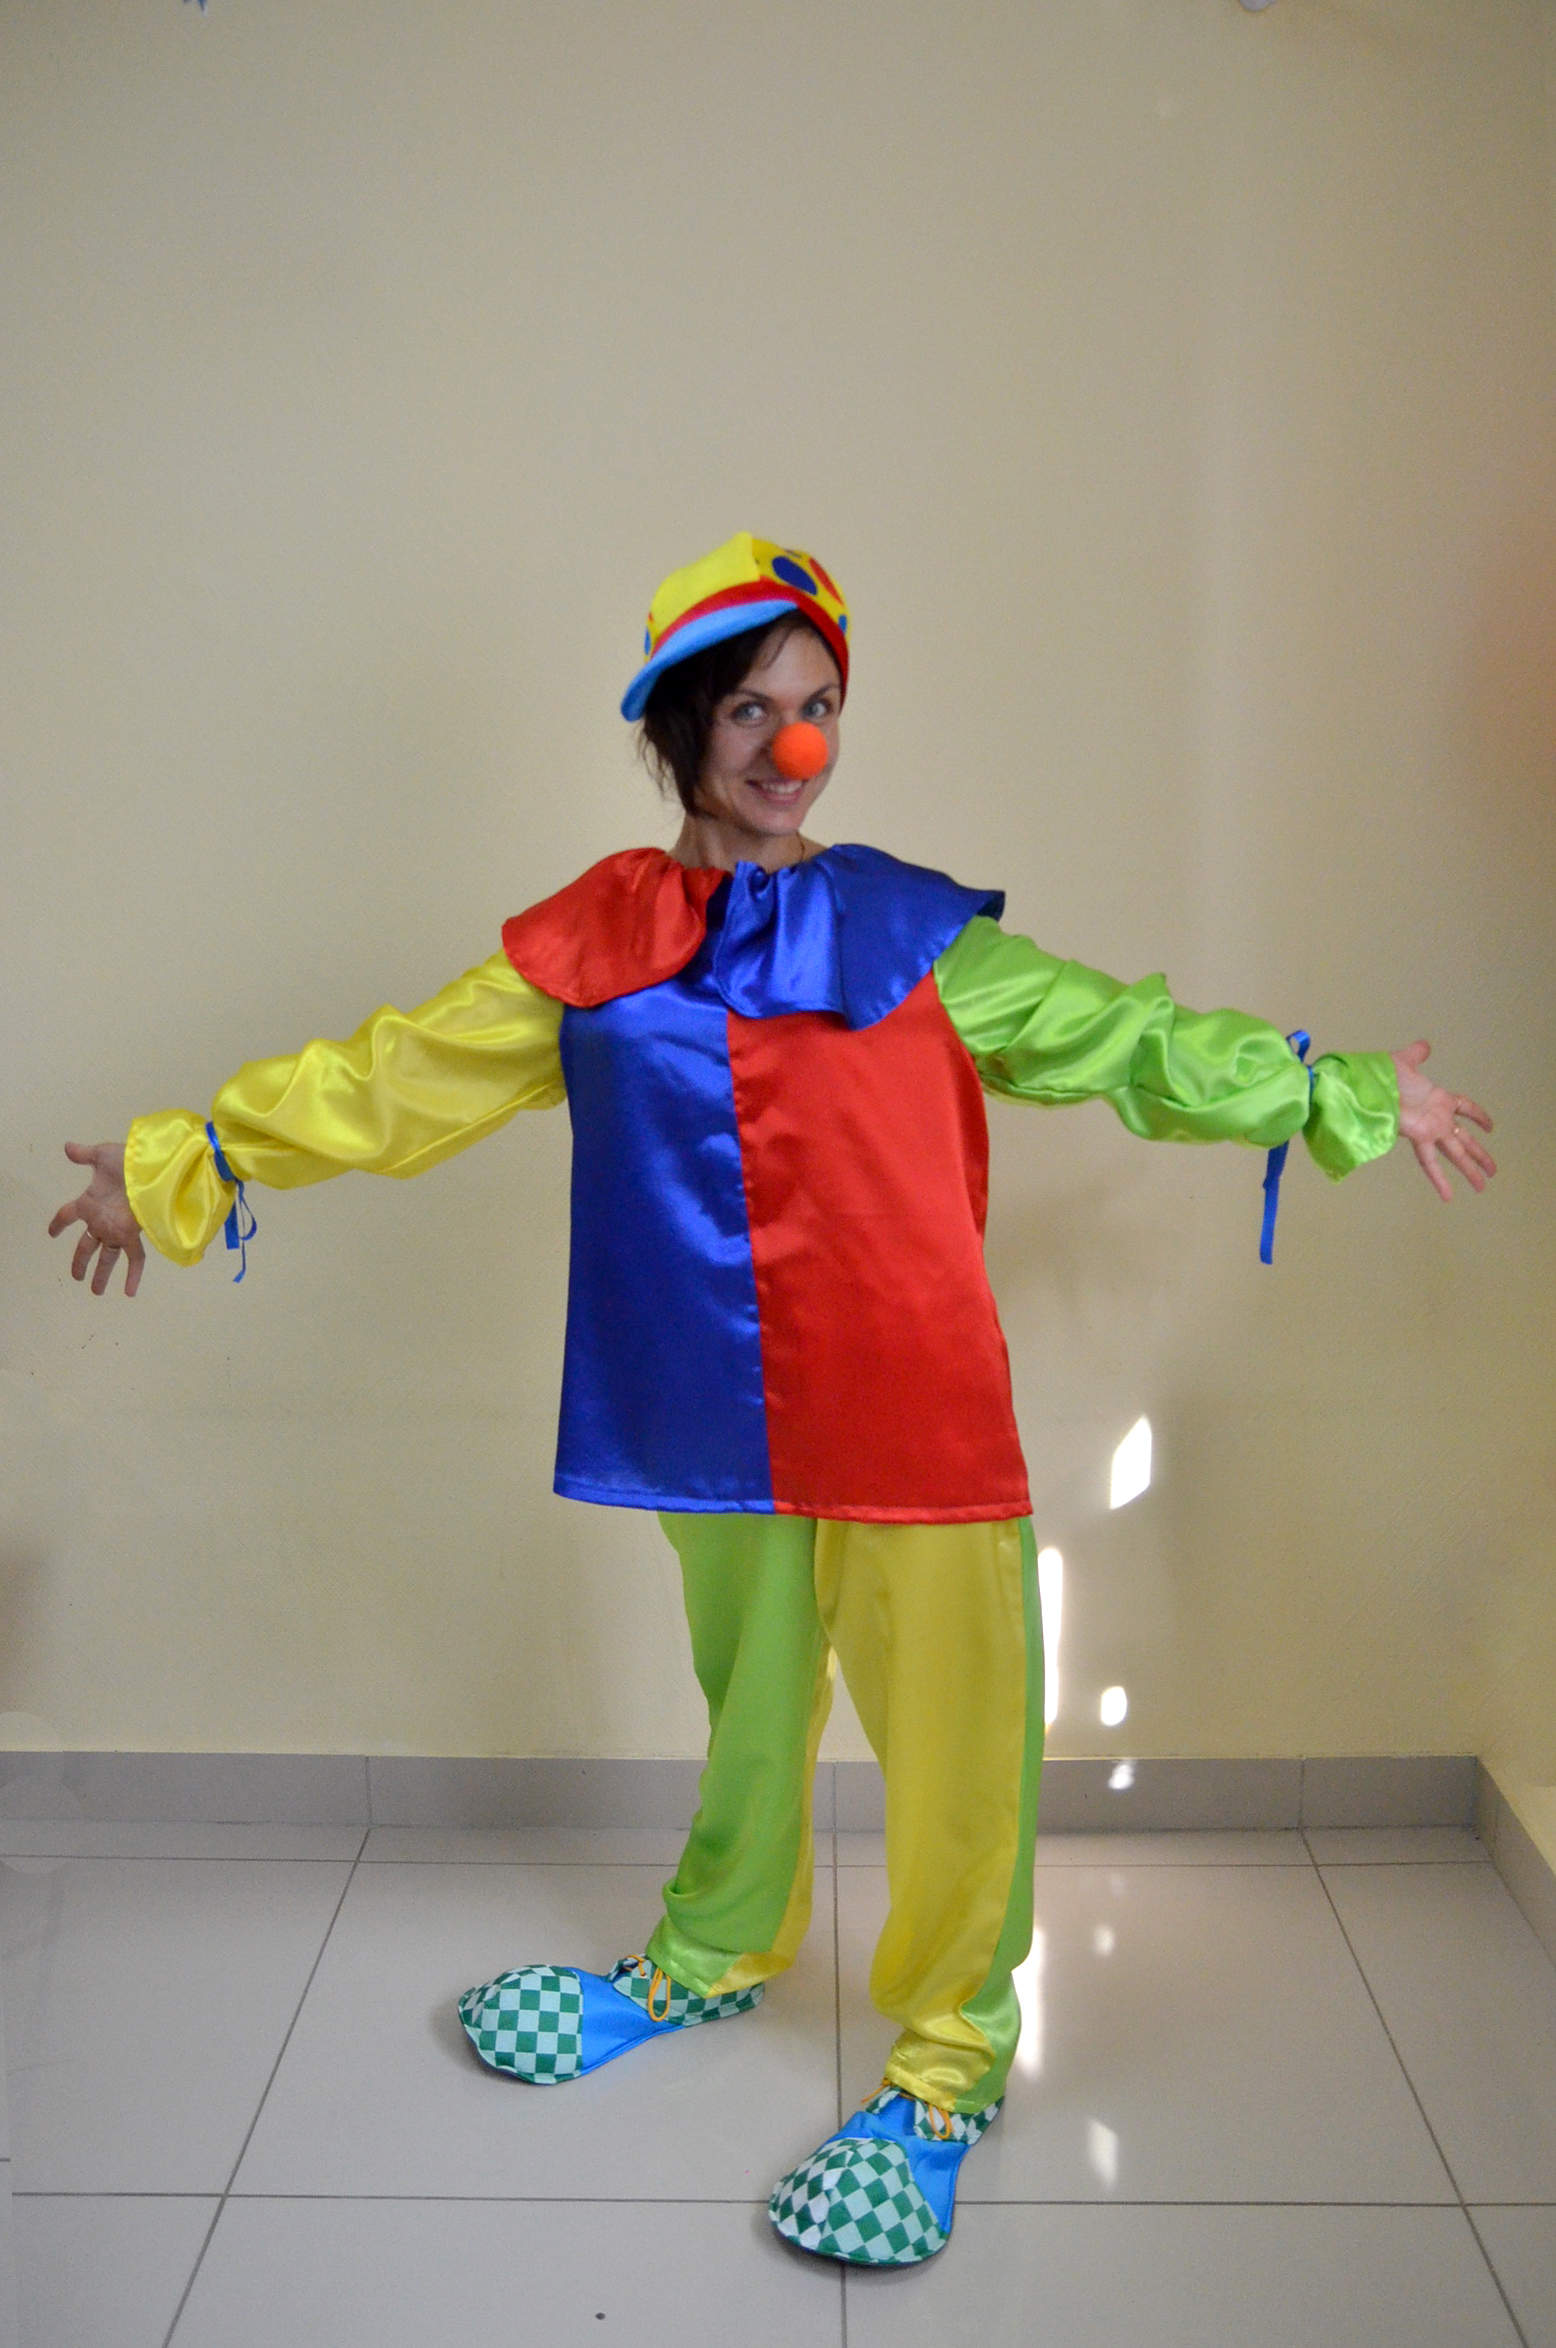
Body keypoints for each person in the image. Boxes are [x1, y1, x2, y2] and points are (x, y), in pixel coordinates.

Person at [49, 532, 1496, 2267]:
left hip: (913, 1412)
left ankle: (949, 2063)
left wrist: (1333, 1090)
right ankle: (716, 1947)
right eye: (751, 709)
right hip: (707, 1408)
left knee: (954, 1745)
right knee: (746, 1699)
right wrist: (193, 1156)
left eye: (818, 707)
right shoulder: (593, 946)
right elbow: (394, 1075)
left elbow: (1128, 1038)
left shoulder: (909, 933)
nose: (794, 747)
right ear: (678, 726)